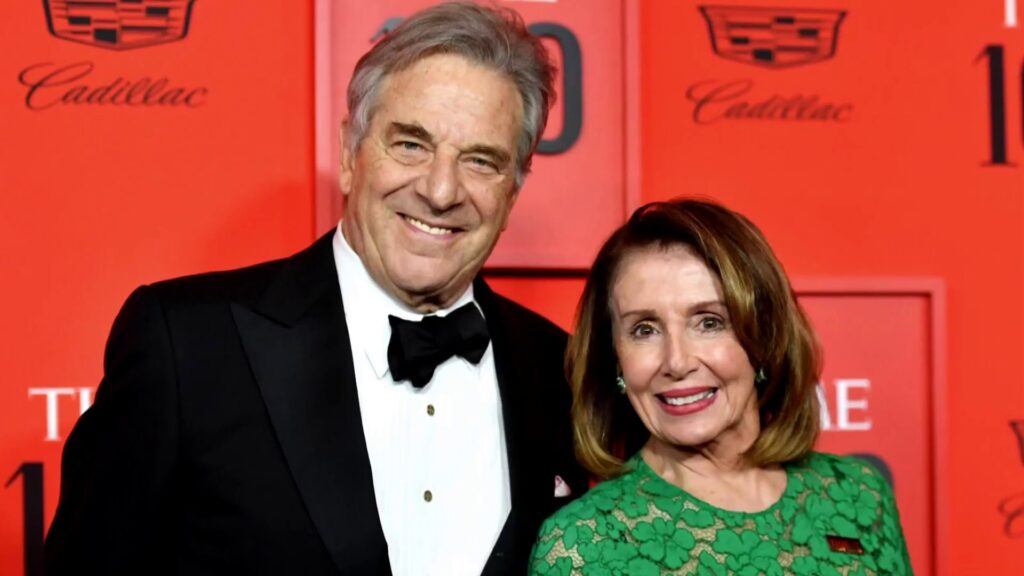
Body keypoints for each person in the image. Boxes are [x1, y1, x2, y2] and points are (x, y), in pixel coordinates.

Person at [44, 3, 586, 574]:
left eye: (480, 161)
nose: (441, 190)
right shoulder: (189, 346)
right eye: (411, 144)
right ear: (350, 153)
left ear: (512, 192)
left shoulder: (562, 371)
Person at [530, 198, 913, 575]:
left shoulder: (859, 497)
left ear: (764, 337)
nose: (677, 362)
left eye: (709, 322)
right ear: (615, 357)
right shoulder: (584, 545)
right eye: (644, 330)